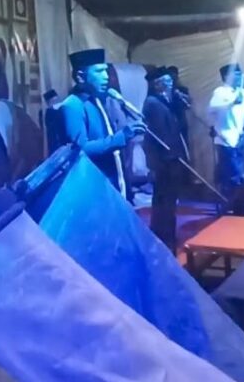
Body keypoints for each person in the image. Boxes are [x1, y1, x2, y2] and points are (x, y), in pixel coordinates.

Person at [60, 49, 143, 198]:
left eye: (106, 71)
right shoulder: (73, 105)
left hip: (112, 182)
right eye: (99, 72)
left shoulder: (98, 100)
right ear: (80, 76)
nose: (106, 77)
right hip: (93, 186)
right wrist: (120, 137)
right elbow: (80, 150)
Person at [143, 66, 189, 251]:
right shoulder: (153, 103)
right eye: (166, 81)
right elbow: (160, 135)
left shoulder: (167, 100)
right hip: (164, 161)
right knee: (163, 200)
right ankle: (162, 235)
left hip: (172, 157)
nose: (171, 83)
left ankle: (167, 233)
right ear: (157, 84)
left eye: (170, 80)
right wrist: (171, 156)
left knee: (170, 200)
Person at [207, 64, 244, 214]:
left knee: (243, 174)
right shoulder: (220, 92)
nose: (239, 76)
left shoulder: (243, 93)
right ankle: (231, 206)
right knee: (232, 174)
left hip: (240, 139)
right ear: (226, 77)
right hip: (225, 140)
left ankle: (239, 206)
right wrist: (232, 102)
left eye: (240, 74)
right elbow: (213, 108)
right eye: (235, 74)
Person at [167, 66, 192, 149]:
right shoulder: (165, 91)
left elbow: (189, 104)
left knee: (184, 144)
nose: (173, 79)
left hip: (181, 119)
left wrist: (182, 95)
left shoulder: (182, 90)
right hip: (169, 121)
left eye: (174, 76)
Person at [42, 89, 64, 156]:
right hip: (55, 141)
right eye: (53, 101)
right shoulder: (50, 112)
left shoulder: (60, 109)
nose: (56, 102)